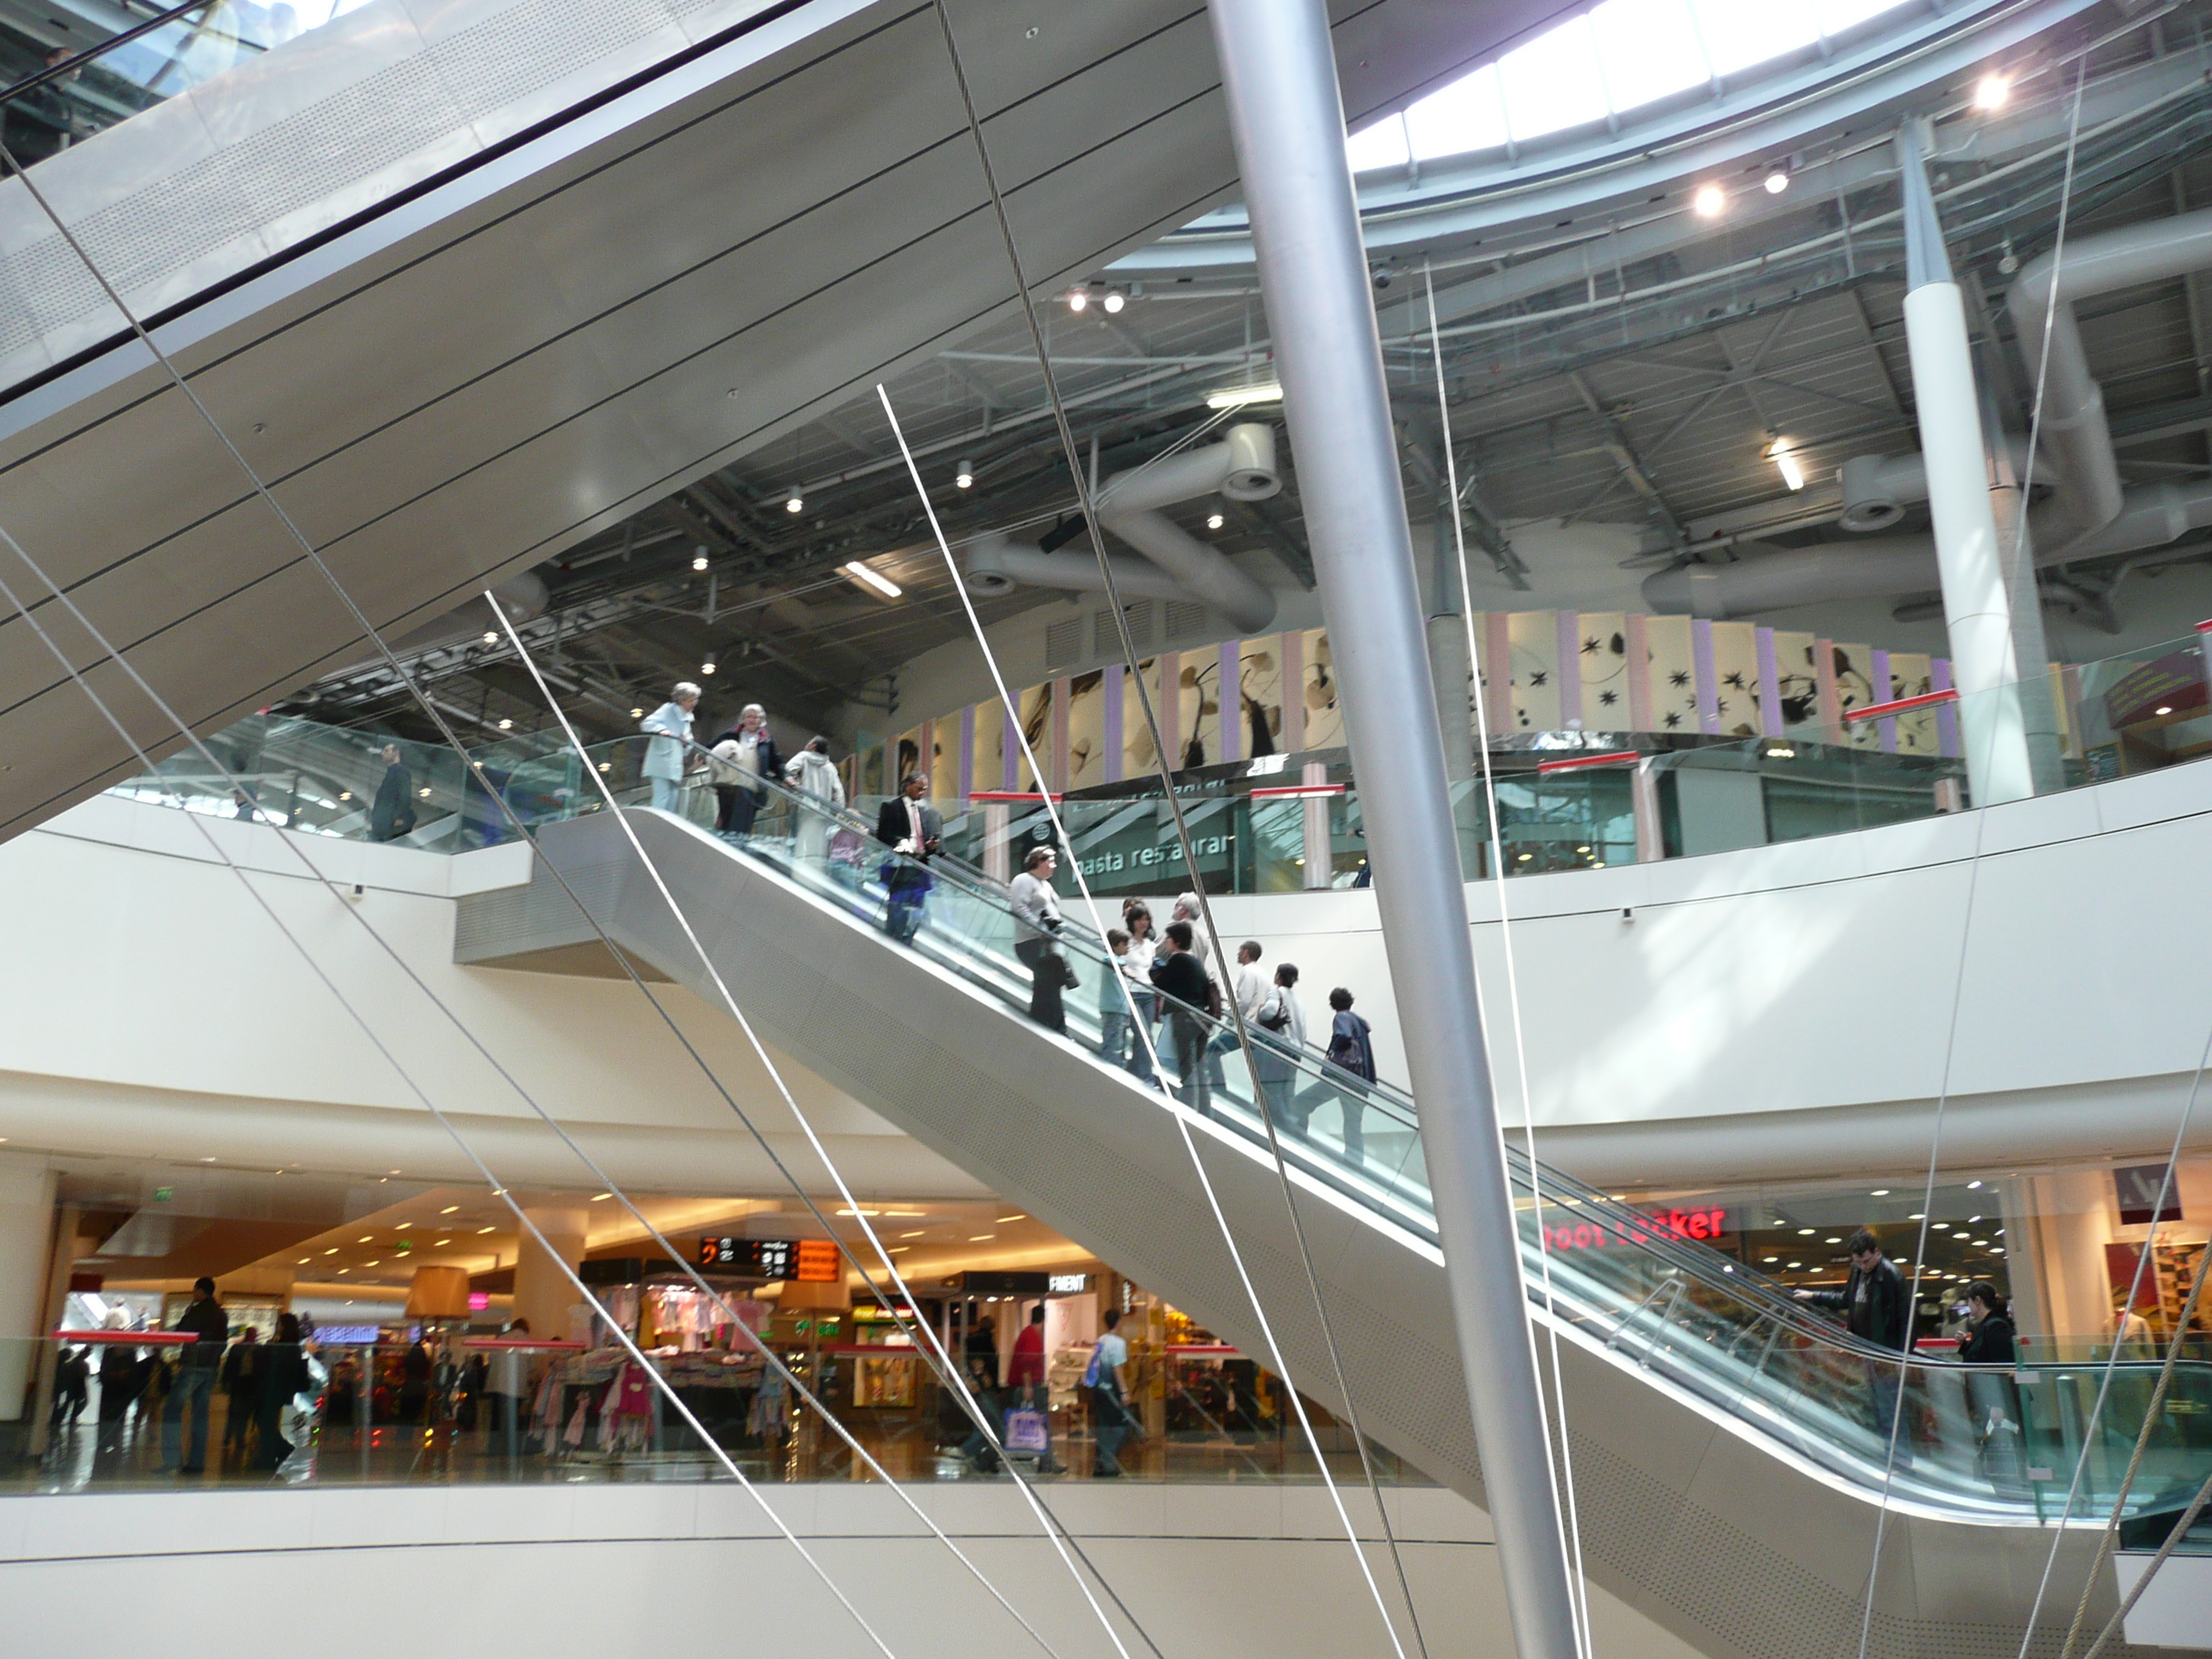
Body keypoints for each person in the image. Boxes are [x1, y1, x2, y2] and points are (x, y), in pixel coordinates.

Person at [1797, 1228, 1914, 1450]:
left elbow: (1905, 1320)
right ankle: (1892, 1455)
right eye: (1858, 1262)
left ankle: (1899, 1460)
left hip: (1885, 1355)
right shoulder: (1859, 1272)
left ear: (1877, 1253)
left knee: (1889, 1409)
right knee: (1881, 1408)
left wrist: (1900, 1357)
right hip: (1869, 1352)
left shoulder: (1890, 1276)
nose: (1863, 1266)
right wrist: (1814, 1296)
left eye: (1867, 1261)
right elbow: (1846, 1299)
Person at [163, 1277, 228, 1474]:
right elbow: (222, 1342)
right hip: (211, 1368)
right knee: (200, 1415)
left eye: (195, 1290)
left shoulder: (197, 1311)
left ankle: (173, 1460)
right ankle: (196, 1462)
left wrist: (187, 1314)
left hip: (192, 1366)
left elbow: (183, 1332)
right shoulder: (221, 1314)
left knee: (172, 1410)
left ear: (200, 1291)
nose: (193, 1293)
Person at [1150, 922, 1214, 1115]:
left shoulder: (1178, 961)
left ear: (1176, 942)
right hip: (1201, 1019)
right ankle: (1205, 1110)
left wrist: (1154, 971)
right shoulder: (1196, 963)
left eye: (1168, 939)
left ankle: (1189, 1110)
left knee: (1187, 1068)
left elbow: (1161, 984)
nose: (1166, 942)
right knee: (1200, 1067)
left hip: (1184, 1018)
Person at [874, 771, 942, 943]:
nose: (921, 793)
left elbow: (925, 836)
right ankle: (894, 937)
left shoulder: (924, 810)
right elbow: (883, 834)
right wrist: (900, 841)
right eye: (919, 789)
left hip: (920, 863)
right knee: (898, 906)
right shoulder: (891, 807)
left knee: (917, 907)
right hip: (900, 864)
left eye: (924, 790)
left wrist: (930, 846)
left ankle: (908, 938)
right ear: (908, 786)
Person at [1011, 845, 1073, 1033]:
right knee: (1050, 981)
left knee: (1047, 983)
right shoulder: (1023, 880)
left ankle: (1039, 1023)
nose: (1054, 866)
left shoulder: (1045, 885)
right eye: (1050, 861)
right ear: (1038, 861)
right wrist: (1040, 926)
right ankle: (1057, 1028)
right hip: (1031, 942)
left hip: (1048, 942)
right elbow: (1019, 908)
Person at [707, 703, 782, 837]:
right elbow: (710, 749)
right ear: (743, 719)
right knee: (727, 823)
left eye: (755, 717)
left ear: (761, 720)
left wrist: (787, 777)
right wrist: (702, 758)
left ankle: (736, 852)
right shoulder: (731, 735)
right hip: (728, 786)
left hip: (751, 789)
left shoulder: (767, 741)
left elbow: (776, 763)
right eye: (748, 717)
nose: (752, 720)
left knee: (743, 827)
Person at [1322, 988, 1377, 1161]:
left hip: (1343, 1077)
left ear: (1333, 1003)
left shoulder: (1342, 1018)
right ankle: (1355, 1162)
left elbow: (1343, 1036)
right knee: (1353, 1124)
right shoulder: (1359, 1022)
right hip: (1361, 1079)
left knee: (1302, 1102)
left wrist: (1331, 1053)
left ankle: (1297, 1139)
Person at [1007, 1303, 1064, 1473]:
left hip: (1024, 1385)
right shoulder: (1032, 1336)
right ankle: (1048, 1463)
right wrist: (1028, 1386)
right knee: (1043, 1425)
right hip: (1032, 1386)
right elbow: (1027, 1363)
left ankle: (1046, 1462)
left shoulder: (1026, 1334)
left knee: (1038, 1425)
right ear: (1043, 1319)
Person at [1203, 940, 1267, 1086]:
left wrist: (1229, 1016)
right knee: (1259, 1073)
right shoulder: (1263, 973)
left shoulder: (1248, 971)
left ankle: (1218, 1089)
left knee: (1211, 1051)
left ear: (1246, 953)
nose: (1238, 954)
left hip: (1246, 1027)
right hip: (1258, 1028)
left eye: (1240, 951)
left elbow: (1244, 1001)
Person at [254, 1313, 313, 1473]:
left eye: (279, 1323)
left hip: (273, 1390)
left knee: (266, 1423)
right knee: (267, 1422)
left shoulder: (284, 1346)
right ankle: (280, 1451)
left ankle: (274, 1455)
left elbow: (272, 1366)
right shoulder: (292, 1346)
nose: (277, 1326)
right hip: (278, 1391)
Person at [1252, 963, 1307, 1130]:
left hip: (1279, 1049)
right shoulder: (1298, 1001)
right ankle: (1291, 1129)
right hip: (1295, 1051)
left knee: (1270, 1089)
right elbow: (1303, 1031)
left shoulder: (1277, 992)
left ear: (1279, 977)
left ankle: (1282, 1125)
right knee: (1287, 1092)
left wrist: (1261, 1010)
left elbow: (1269, 1011)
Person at [1086, 1308, 1135, 1477]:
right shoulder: (1119, 1343)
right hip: (1113, 1390)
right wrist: (1124, 1391)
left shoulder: (1101, 1341)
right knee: (1121, 1426)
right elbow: (1117, 1368)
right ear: (1119, 1322)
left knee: (1104, 1425)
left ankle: (1102, 1463)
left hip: (1100, 1390)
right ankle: (1108, 1461)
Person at [640, 682, 701, 814]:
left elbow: (688, 742)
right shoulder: (668, 709)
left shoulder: (687, 718)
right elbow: (648, 723)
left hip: (674, 763)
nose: (694, 703)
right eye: (691, 700)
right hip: (661, 761)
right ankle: (656, 823)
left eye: (696, 699)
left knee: (673, 796)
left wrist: (686, 742)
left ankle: (666, 824)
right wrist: (662, 730)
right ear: (681, 700)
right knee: (662, 796)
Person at [784, 736, 845, 860]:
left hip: (802, 807)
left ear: (813, 746)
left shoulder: (804, 757)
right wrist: (839, 812)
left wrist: (795, 784)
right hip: (823, 812)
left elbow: (788, 769)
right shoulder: (831, 767)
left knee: (796, 839)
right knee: (818, 844)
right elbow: (838, 792)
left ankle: (792, 865)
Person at [1119, 906, 1160, 1087]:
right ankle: (1145, 1076)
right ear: (1132, 921)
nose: (1143, 923)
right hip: (1131, 992)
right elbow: (1115, 958)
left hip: (1148, 994)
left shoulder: (1150, 944)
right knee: (1144, 1036)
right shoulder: (1125, 941)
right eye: (1139, 919)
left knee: (1143, 1036)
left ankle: (1136, 1074)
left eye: (1146, 919)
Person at [486, 1317, 531, 1452]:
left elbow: (491, 1358)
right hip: (517, 1387)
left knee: (496, 1418)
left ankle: (493, 1447)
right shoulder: (528, 1341)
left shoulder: (502, 1339)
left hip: (498, 1385)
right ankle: (511, 1448)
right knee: (514, 1418)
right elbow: (531, 1366)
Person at [220, 1326, 264, 1463]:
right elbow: (229, 1367)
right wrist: (226, 1382)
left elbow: (229, 1366)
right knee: (235, 1410)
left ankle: (237, 1438)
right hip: (240, 1383)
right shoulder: (246, 1349)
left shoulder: (255, 1350)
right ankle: (230, 1437)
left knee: (242, 1412)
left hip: (248, 1384)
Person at [369, 742, 416, 842]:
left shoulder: (401, 772)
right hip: (383, 823)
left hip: (389, 823)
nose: (383, 754)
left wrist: (399, 817)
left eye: (387, 751)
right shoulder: (392, 772)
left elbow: (405, 795)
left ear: (396, 753)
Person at [964, 1315, 999, 1390]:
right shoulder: (987, 1337)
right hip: (986, 1367)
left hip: (974, 1366)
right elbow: (991, 1356)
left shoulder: (971, 1338)